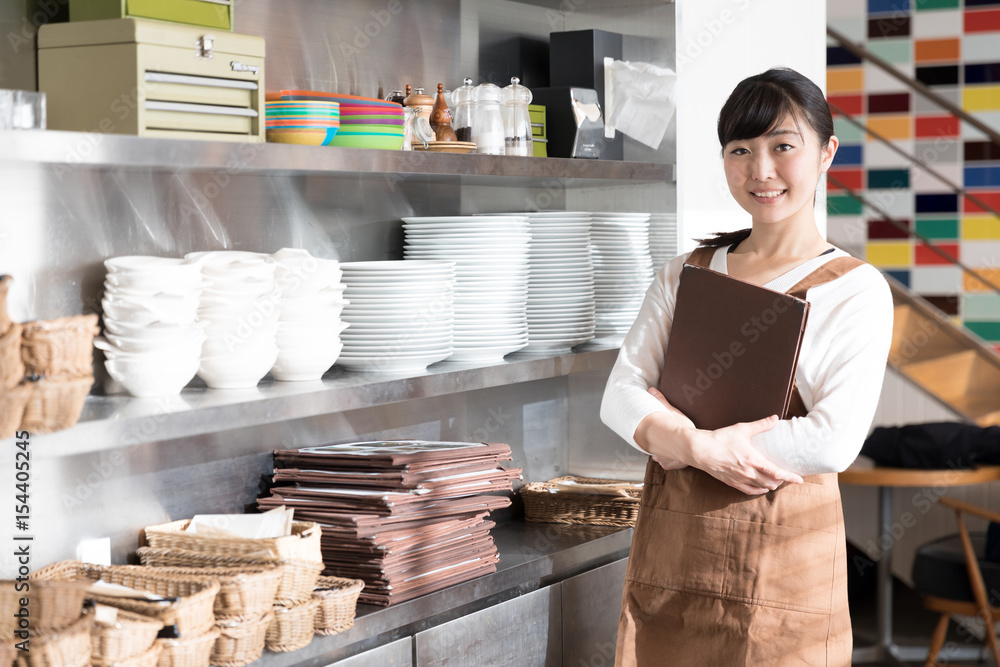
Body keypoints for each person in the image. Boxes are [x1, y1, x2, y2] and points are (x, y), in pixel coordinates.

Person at [600, 67, 893, 666]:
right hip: (675, 556)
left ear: (826, 152)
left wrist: (677, 437)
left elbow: (833, 439)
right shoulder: (687, 274)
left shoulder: (855, 289)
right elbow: (620, 395)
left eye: (783, 146)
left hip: (788, 567)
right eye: (741, 150)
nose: (761, 170)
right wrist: (699, 447)